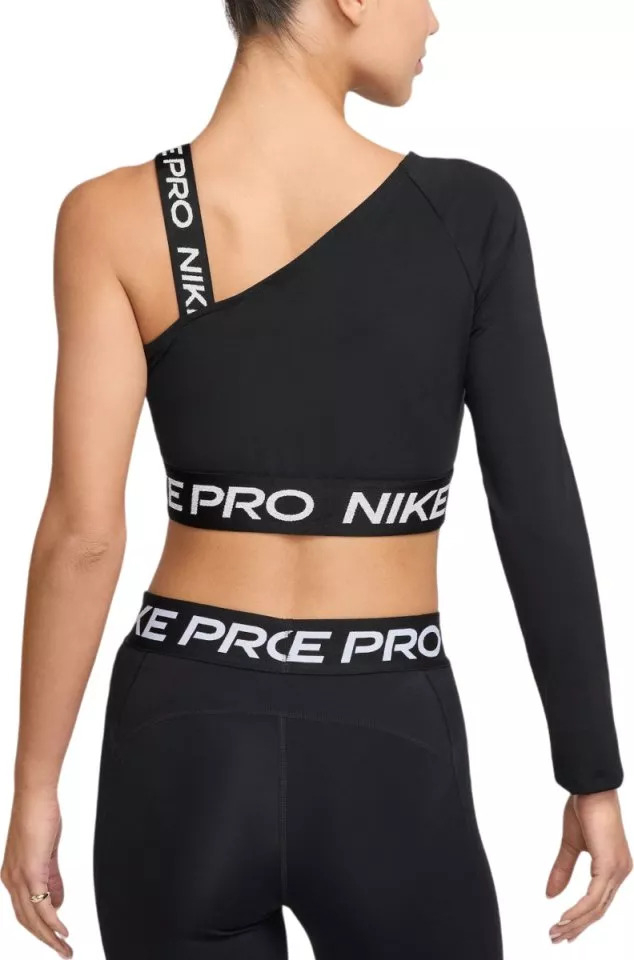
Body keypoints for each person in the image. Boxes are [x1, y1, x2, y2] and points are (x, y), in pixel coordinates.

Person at [1, 1, 631, 957]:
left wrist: (34, 786)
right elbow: (535, 505)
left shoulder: (112, 215)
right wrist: (591, 772)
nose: (433, 19)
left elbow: (83, 535)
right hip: (385, 723)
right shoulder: (468, 215)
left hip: (182, 726)